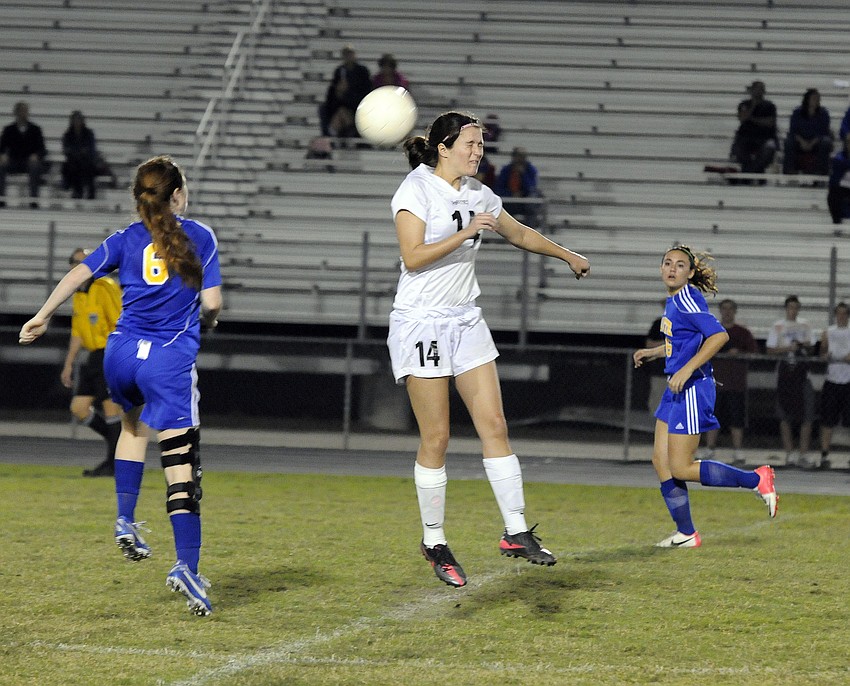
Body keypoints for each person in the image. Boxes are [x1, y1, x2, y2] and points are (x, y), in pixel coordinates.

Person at [389, 111, 590, 586]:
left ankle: (516, 531)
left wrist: (566, 254)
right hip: (422, 322)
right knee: (437, 438)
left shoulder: (479, 193)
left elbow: (517, 232)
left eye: (481, 144)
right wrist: (465, 232)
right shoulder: (415, 190)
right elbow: (412, 258)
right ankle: (434, 541)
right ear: (443, 148)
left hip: (465, 319)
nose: (479, 152)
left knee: (495, 425)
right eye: (471, 144)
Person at [19, 155, 222, 616]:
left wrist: (43, 314)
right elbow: (212, 303)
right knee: (181, 463)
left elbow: (79, 273)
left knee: (132, 428)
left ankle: (125, 520)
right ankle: (187, 566)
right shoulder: (199, 236)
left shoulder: (125, 238)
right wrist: (209, 320)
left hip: (121, 355)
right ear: (177, 196)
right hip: (167, 359)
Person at [633, 246, 777, 549]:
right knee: (660, 461)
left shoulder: (686, 297)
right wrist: (654, 352)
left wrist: (686, 370)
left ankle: (756, 479)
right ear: (660, 268)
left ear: (689, 273)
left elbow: (719, 335)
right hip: (676, 388)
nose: (672, 269)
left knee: (681, 468)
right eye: (667, 263)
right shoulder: (674, 300)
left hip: (693, 387)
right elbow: (682, 342)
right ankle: (686, 533)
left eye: (680, 265)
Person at [62, 248, 123, 477]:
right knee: (79, 408)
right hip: (93, 356)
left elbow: (119, 321)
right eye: (74, 261)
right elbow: (77, 332)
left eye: (83, 262)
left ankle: (113, 465)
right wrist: (69, 364)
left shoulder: (104, 287)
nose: (77, 266)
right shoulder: (79, 293)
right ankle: (117, 442)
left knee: (111, 409)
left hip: (109, 353)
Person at [702, 299, 758, 465]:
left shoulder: (743, 333)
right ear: (720, 311)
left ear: (735, 311)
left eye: (730, 309)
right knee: (712, 416)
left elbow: (753, 353)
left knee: (737, 418)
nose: (727, 312)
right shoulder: (712, 331)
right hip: (714, 382)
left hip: (736, 383)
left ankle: (737, 450)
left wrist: (738, 353)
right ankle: (710, 449)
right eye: (724, 309)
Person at [765, 295, 817, 468]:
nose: (793, 311)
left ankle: (803, 452)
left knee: (807, 415)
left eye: (796, 307)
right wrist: (788, 348)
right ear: (786, 309)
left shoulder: (805, 325)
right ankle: (790, 453)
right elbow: (770, 350)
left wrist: (802, 345)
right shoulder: (778, 326)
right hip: (785, 374)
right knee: (784, 415)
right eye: (790, 307)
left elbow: (812, 347)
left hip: (803, 375)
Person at [818, 302, 850, 469]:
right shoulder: (828, 332)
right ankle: (824, 454)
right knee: (827, 420)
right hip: (832, 380)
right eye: (839, 313)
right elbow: (822, 353)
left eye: (844, 313)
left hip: (848, 380)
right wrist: (825, 354)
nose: (841, 316)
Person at [0, 101, 48, 207]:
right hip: (13, 160)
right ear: (16, 113)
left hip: (29, 161)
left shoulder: (35, 129)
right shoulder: (9, 129)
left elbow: (43, 149)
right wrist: (2, 155)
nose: (24, 113)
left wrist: (36, 155)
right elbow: (1, 147)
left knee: (35, 166)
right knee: (1, 165)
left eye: (25, 111)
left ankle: (34, 200)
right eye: (21, 111)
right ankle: (1, 199)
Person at [319, 45, 372, 138]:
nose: (348, 57)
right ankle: (341, 135)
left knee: (342, 114)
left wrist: (347, 93)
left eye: (350, 54)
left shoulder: (362, 72)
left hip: (358, 108)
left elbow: (365, 93)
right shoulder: (339, 72)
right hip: (342, 107)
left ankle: (335, 135)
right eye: (346, 54)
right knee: (339, 113)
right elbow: (332, 95)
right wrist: (339, 92)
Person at [61, 110, 112, 199]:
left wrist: (77, 152)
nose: (77, 122)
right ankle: (77, 191)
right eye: (75, 120)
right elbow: (67, 150)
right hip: (73, 163)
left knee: (86, 167)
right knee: (72, 167)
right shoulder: (68, 135)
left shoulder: (88, 134)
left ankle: (89, 193)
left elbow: (90, 150)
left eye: (79, 120)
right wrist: (80, 152)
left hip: (87, 162)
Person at [730, 80, 778, 175]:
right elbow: (743, 118)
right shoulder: (744, 104)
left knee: (768, 150)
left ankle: (752, 172)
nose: (758, 91)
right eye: (756, 89)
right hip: (745, 137)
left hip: (764, 137)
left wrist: (752, 119)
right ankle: (749, 172)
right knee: (739, 149)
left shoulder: (770, 106)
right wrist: (753, 105)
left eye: (761, 89)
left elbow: (769, 122)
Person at [782, 89, 832, 176]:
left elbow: (824, 132)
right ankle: (789, 170)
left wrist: (811, 143)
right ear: (807, 99)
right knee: (788, 142)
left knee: (826, 142)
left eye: (818, 98)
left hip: (816, 142)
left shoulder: (824, 113)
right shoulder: (797, 112)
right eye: (814, 98)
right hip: (800, 141)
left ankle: (821, 172)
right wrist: (802, 142)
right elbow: (793, 131)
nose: (817, 100)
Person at [494, 146, 542, 225]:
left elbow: (531, 187)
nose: (520, 159)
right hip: (509, 201)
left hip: (525, 202)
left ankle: (530, 228)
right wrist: (511, 194)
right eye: (518, 156)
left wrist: (523, 174)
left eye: (523, 156)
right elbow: (499, 188)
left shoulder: (530, 170)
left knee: (534, 201)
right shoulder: (506, 170)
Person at [827, 133, 850, 225]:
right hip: (843, 188)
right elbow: (834, 181)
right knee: (833, 195)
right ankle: (837, 222)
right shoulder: (839, 158)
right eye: (849, 142)